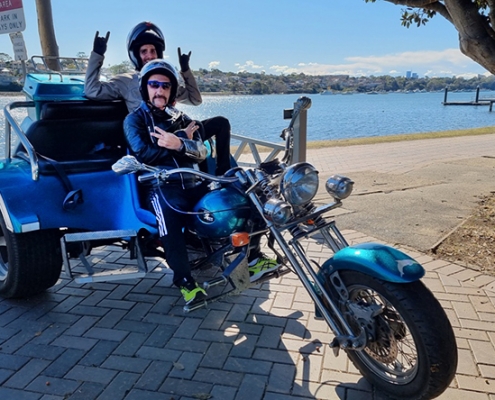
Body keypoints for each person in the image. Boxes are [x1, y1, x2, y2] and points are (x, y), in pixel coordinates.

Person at [124, 60, 279, 303]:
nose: (159, 90)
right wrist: (179, 142)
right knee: (169, 218)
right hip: (161, 186)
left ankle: (254, 258)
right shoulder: (134, 120)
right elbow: (143, 153)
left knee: (248, 196)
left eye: (165, 86)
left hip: (195, 182)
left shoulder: (179, 117)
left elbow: (200, 151)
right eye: (154, 84)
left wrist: (181, 143)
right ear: (145, 88)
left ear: (172, 90)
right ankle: (184, 280)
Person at [84, 21, 232, 175]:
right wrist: (98, 54)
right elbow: (92, 91)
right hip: (153, 137)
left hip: (175, 128)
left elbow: (195, 99)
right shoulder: (126, 81)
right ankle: (202, 177)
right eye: (144, 51)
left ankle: (223, 173)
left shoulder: (166, 78)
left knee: (217, 123)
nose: (149, 56)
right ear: (136, 55)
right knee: (194, 133)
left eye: (153, 51)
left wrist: (185, 70)